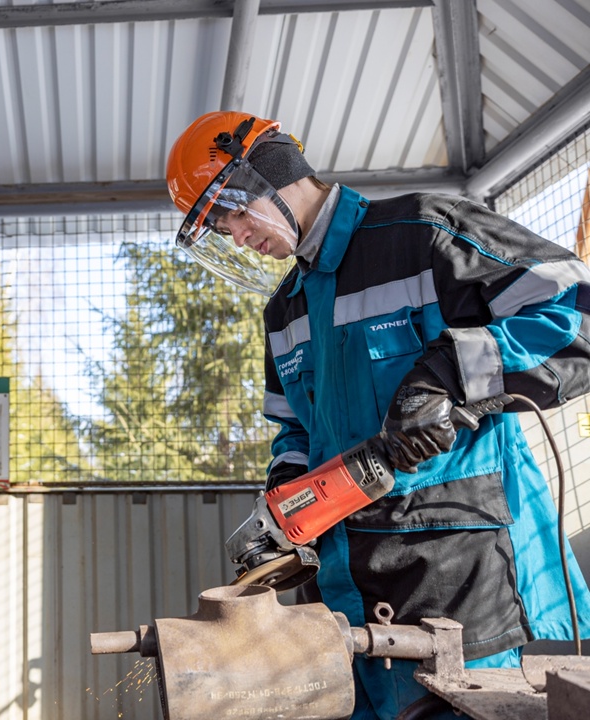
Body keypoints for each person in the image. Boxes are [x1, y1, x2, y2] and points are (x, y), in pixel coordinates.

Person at [166, 111, 590, 719]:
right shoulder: (284, 314)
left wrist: (448, 376)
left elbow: (574, 312)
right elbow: (295, 432)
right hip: (344, 596)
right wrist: (288, 499)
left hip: (460, 583)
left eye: (232, 213)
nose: (235, 235)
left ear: (268, 173)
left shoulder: (423, 234)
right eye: (220, 227)